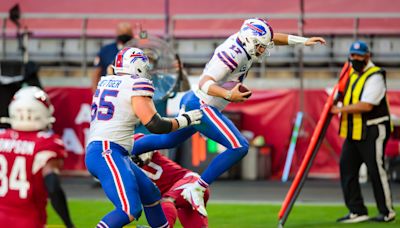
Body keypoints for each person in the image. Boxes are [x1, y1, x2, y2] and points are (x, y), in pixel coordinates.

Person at [131, 18, 326, 216]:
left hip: (196, 102)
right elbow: (204, 83)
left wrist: (303, 41)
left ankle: (123, 148)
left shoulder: (248, 42)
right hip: (202, 104)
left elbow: (273, 38)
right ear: (249, 41)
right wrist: (228, 95)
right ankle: (196, 189)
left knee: (168, 140)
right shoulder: (232, 54)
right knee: (239, 146)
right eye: (259, 47)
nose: (262, 51)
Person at [85, 47, 203, 228]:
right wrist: (184, 120)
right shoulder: (135, 85)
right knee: (129, 209)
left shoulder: (106, 81)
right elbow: (155, 125)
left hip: (111, 150)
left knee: (152, 195)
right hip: (108, 151)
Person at [331, 40, 396, 223]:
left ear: (368, 56)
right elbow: (341, 93)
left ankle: (387, 212)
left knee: (376, 170)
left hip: (373, 129)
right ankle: (357, 210)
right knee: (347, 168)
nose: (356, 59)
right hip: (354, 130)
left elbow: (367, 105)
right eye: (353, 55)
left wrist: (339, 110)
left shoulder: (375, 75)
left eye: (359, 56)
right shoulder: (349, 73)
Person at [0, 86, 74, 228]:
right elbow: (52, 187)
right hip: (27, 221)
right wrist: (68, 223)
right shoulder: (46, 143)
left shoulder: (1, 137)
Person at [132, 133, 210, 228]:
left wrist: (139, 155)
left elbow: (147, 144)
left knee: (167, 200)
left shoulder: (132, 141)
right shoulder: (117, 167)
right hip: (180, 199)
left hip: (189, 184)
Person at [91, 22, 134, 92]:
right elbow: (96, 72)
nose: (124, 36)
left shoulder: (137, 50)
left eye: (127, 34)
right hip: (110, 90)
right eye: (122, 33)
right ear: (117, 33)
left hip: (130, 90)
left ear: (131, 34)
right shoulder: (106, 50)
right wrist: (95, 93)